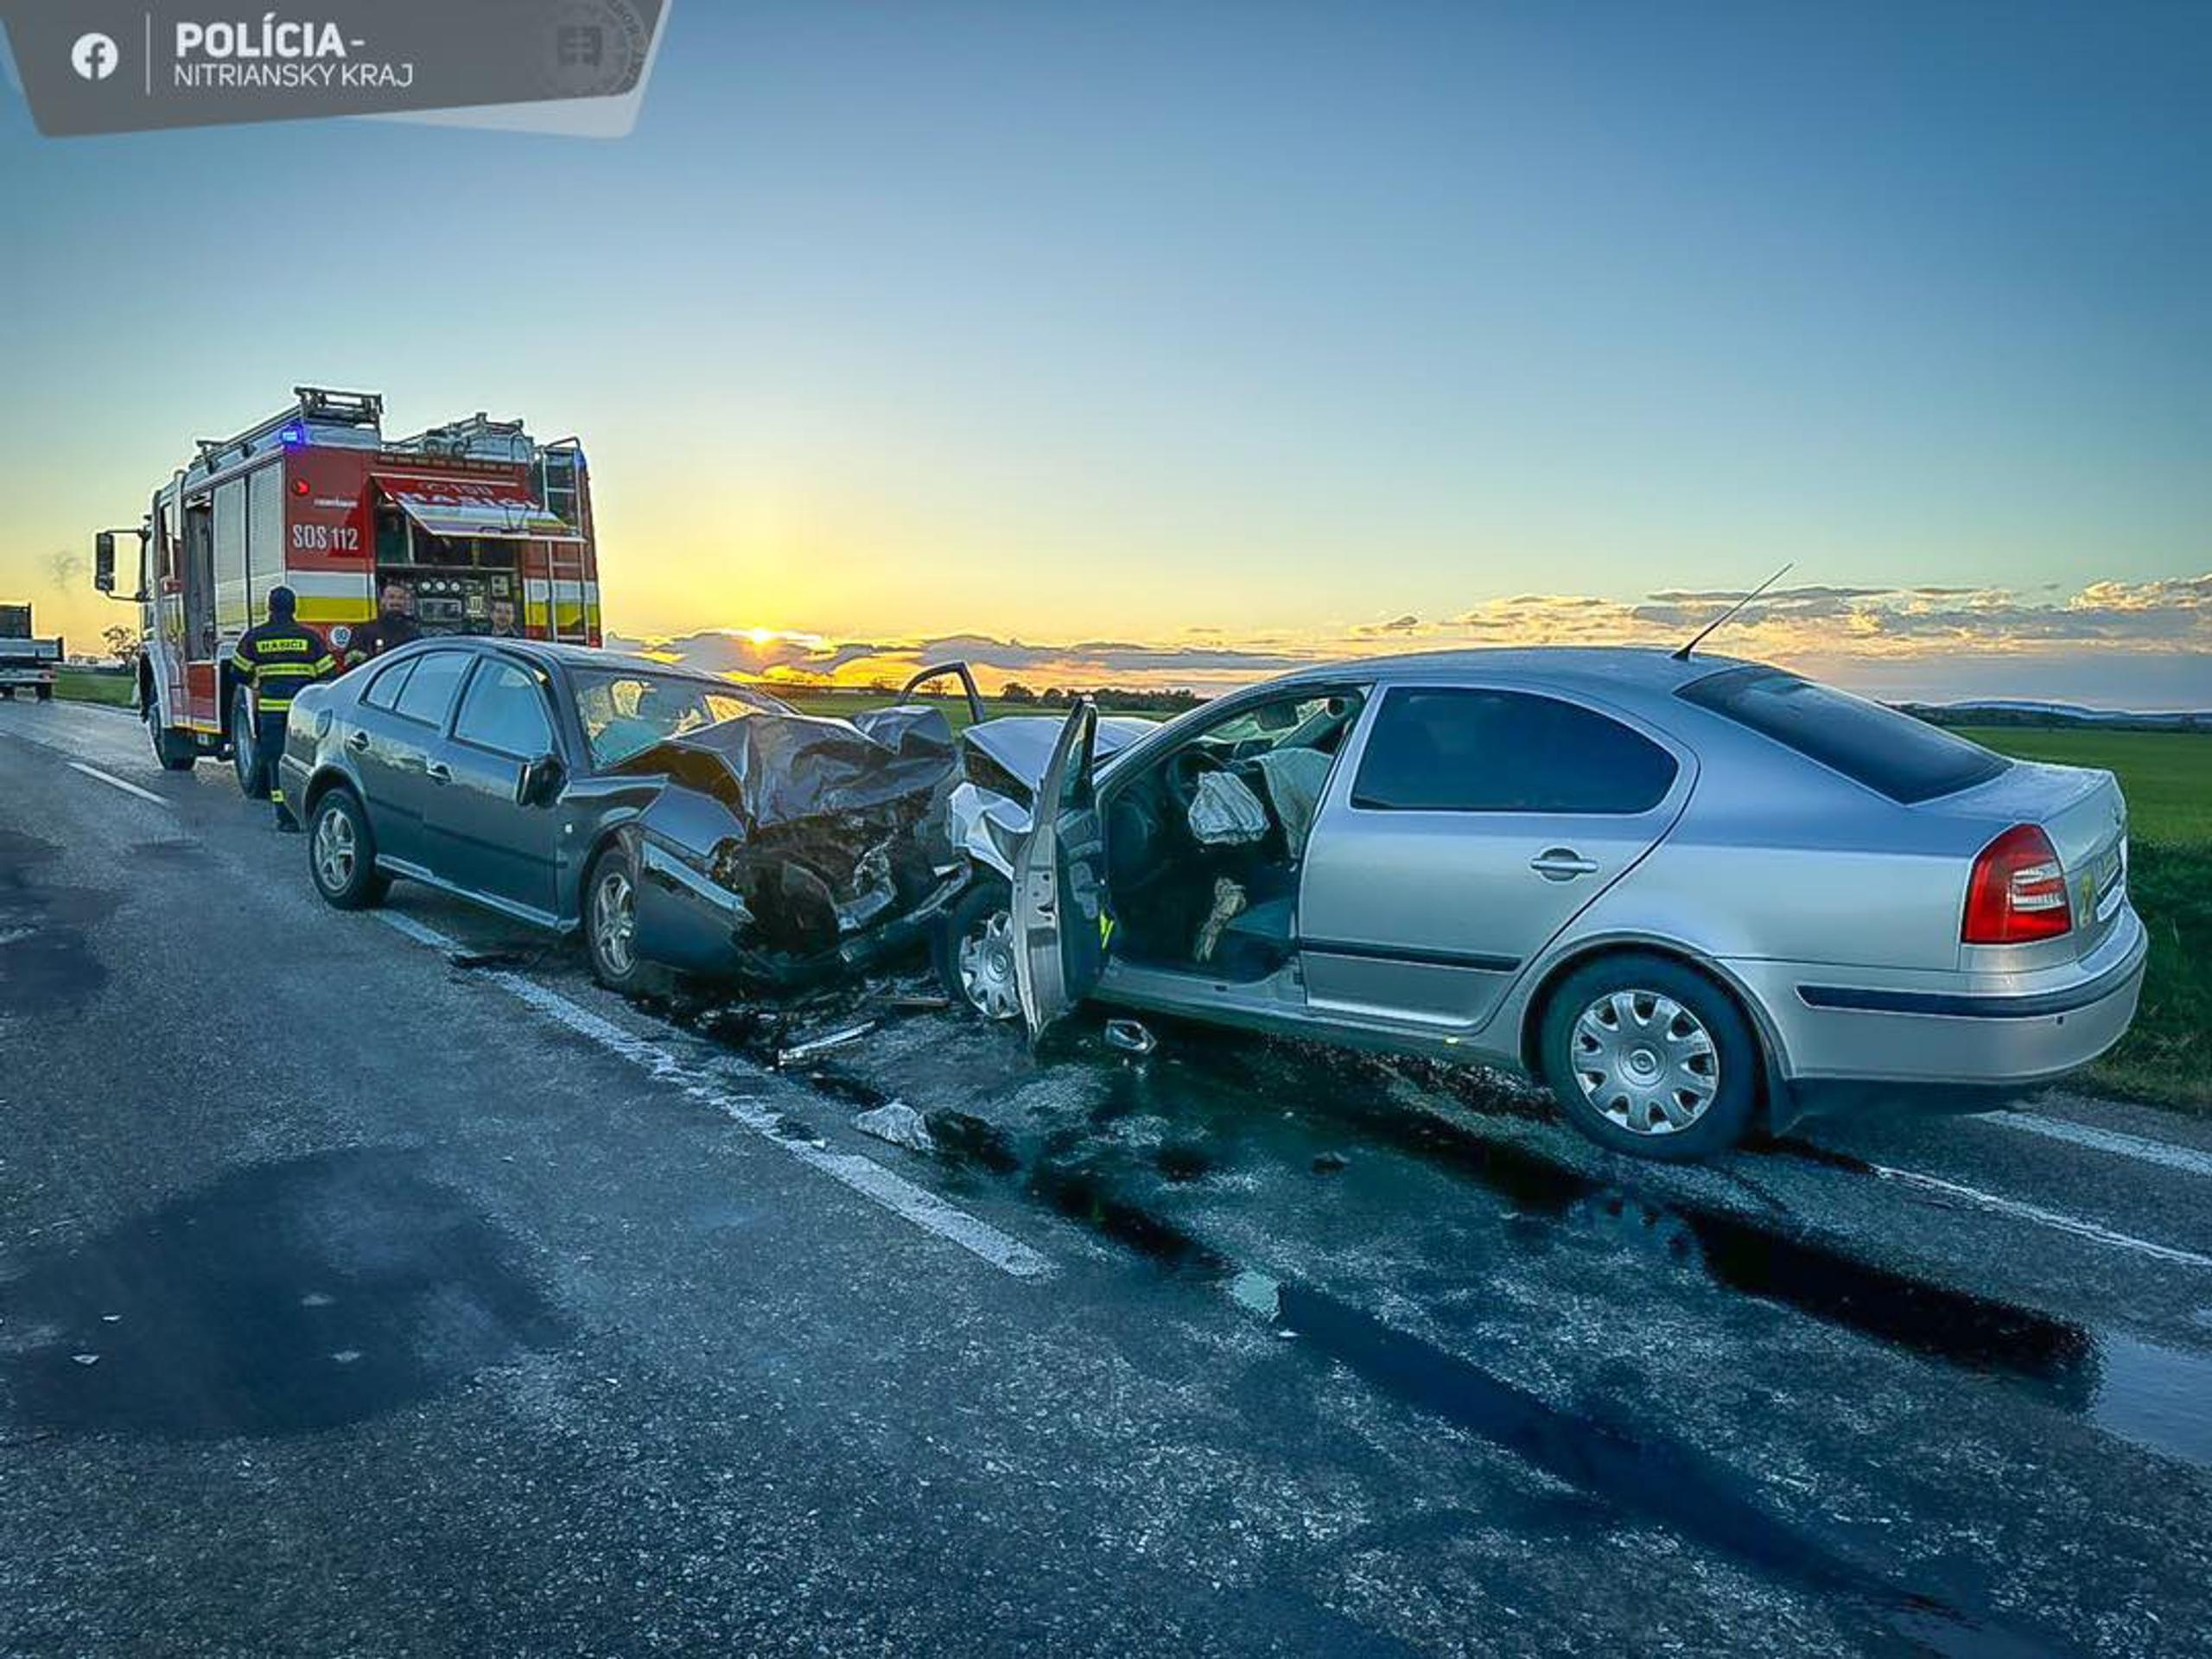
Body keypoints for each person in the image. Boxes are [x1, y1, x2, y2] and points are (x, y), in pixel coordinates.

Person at [230, 586, 336, 832]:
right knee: (304, 760)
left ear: (270, 607)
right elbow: (328, 674)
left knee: (276, 761)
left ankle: (285, 817)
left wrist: (256, 681)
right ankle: (309, 811)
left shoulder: (255, 638)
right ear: (294, 608)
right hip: (302, 714)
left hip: (271, 712)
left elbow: (237, 672)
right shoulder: (310, 638)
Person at [346, 581, 423, 665]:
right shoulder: (365, 630)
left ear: (405, 602)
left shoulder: (413, 632)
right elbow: (351, 661)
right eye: (391, 597)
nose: (396, 602)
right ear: (382, 600)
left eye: (401, 598)